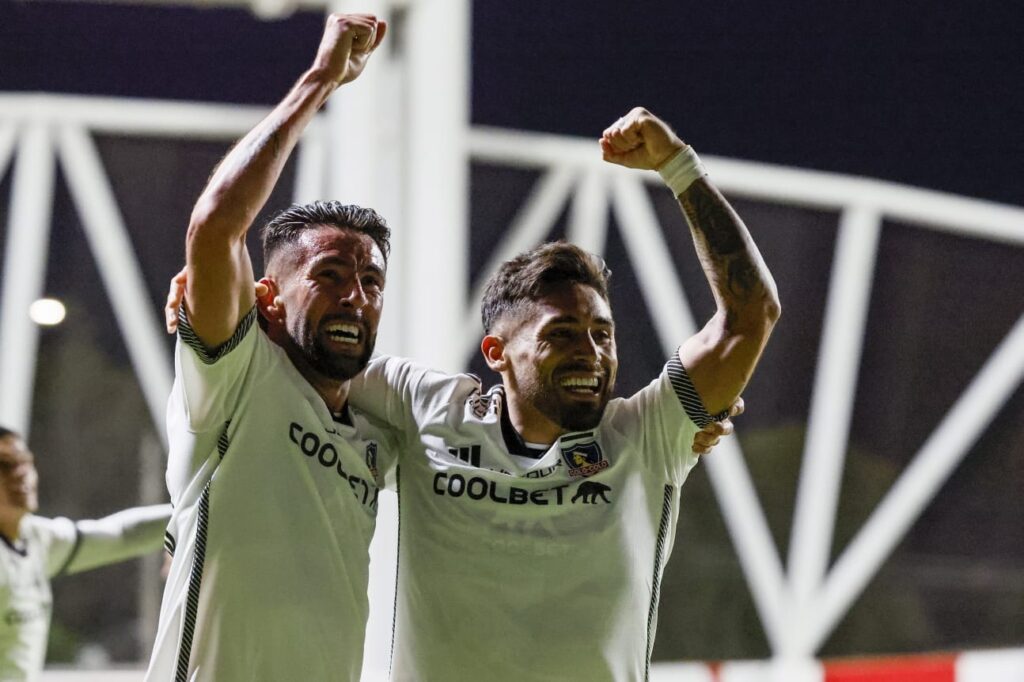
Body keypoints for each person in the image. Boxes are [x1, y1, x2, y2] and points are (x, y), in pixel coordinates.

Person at [347, 107, 780, 679]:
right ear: (496, 353)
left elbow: (751, 315)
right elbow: (309, 354)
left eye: (603, 334)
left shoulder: (646, 433)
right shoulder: (422, 405)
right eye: (561, 335)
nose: (591, 352)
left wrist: (679, 166)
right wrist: (224, 316)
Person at [144, 14, 398, 682]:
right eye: (330, 276)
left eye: (371, 282)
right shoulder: (237, 374)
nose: (356, 298)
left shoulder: (380, 433)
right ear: (266, 299)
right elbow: (215, 228)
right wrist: (320, 81)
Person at [0, 426, 171, 681]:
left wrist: (186, 519)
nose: (22, 474)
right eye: (6, 465)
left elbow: (121, 535)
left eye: (26, 463)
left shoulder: (37, 540)